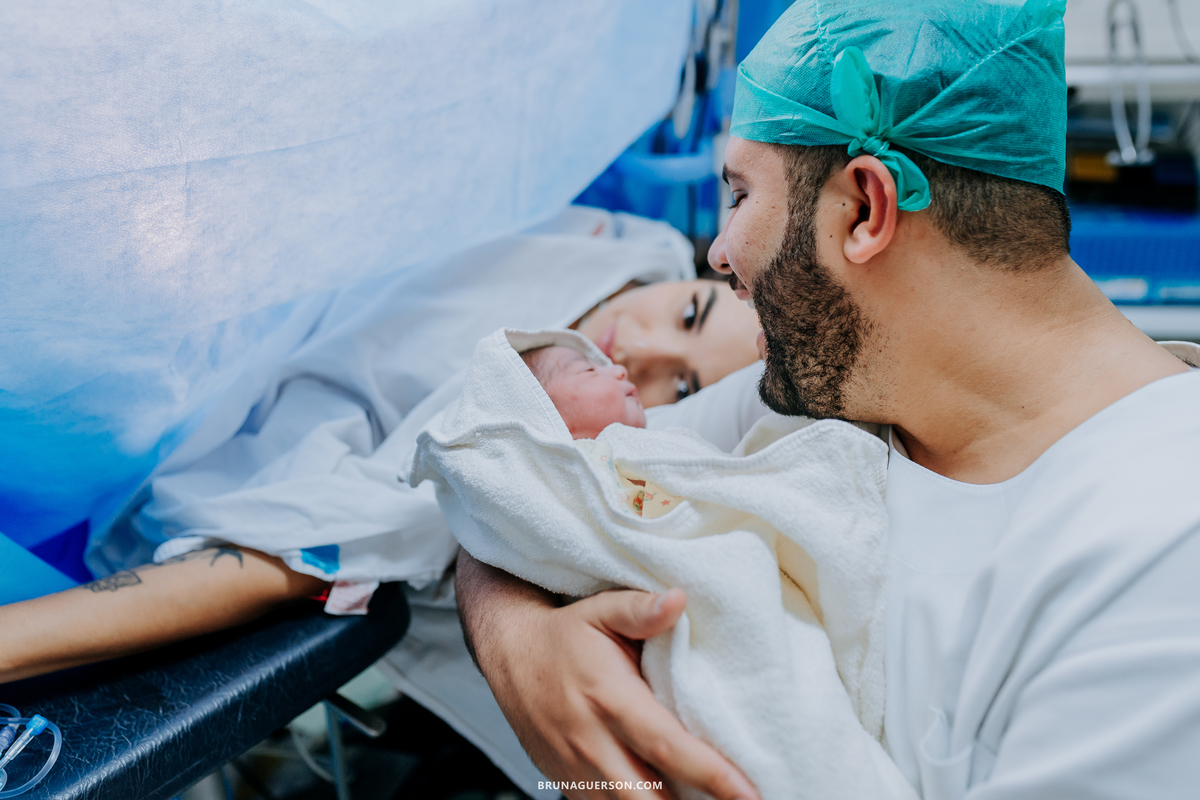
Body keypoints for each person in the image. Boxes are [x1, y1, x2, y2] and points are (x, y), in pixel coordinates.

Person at [455, 2, 1200, 799]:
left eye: (739, 196)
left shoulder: (1159, 567)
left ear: (865, 210)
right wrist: (525, 649)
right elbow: (541, 473)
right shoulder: (842, 402)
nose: (717, 254)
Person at [0, 207, 763, 797]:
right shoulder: (629, 243)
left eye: (680, 388)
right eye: (691, 312)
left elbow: (271, 564)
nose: (638, 348)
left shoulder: (494, 449)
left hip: (144, 383)